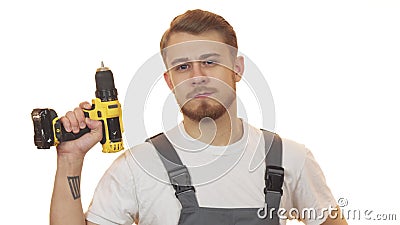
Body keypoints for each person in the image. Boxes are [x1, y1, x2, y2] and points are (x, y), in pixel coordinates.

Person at [50, 9, 348, 225]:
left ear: (238, 69)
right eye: (183, 67)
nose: (198, 77)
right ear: (169, 81)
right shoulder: (138, 167)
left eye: (209, 61)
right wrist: (70, 158)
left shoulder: (289, 159)